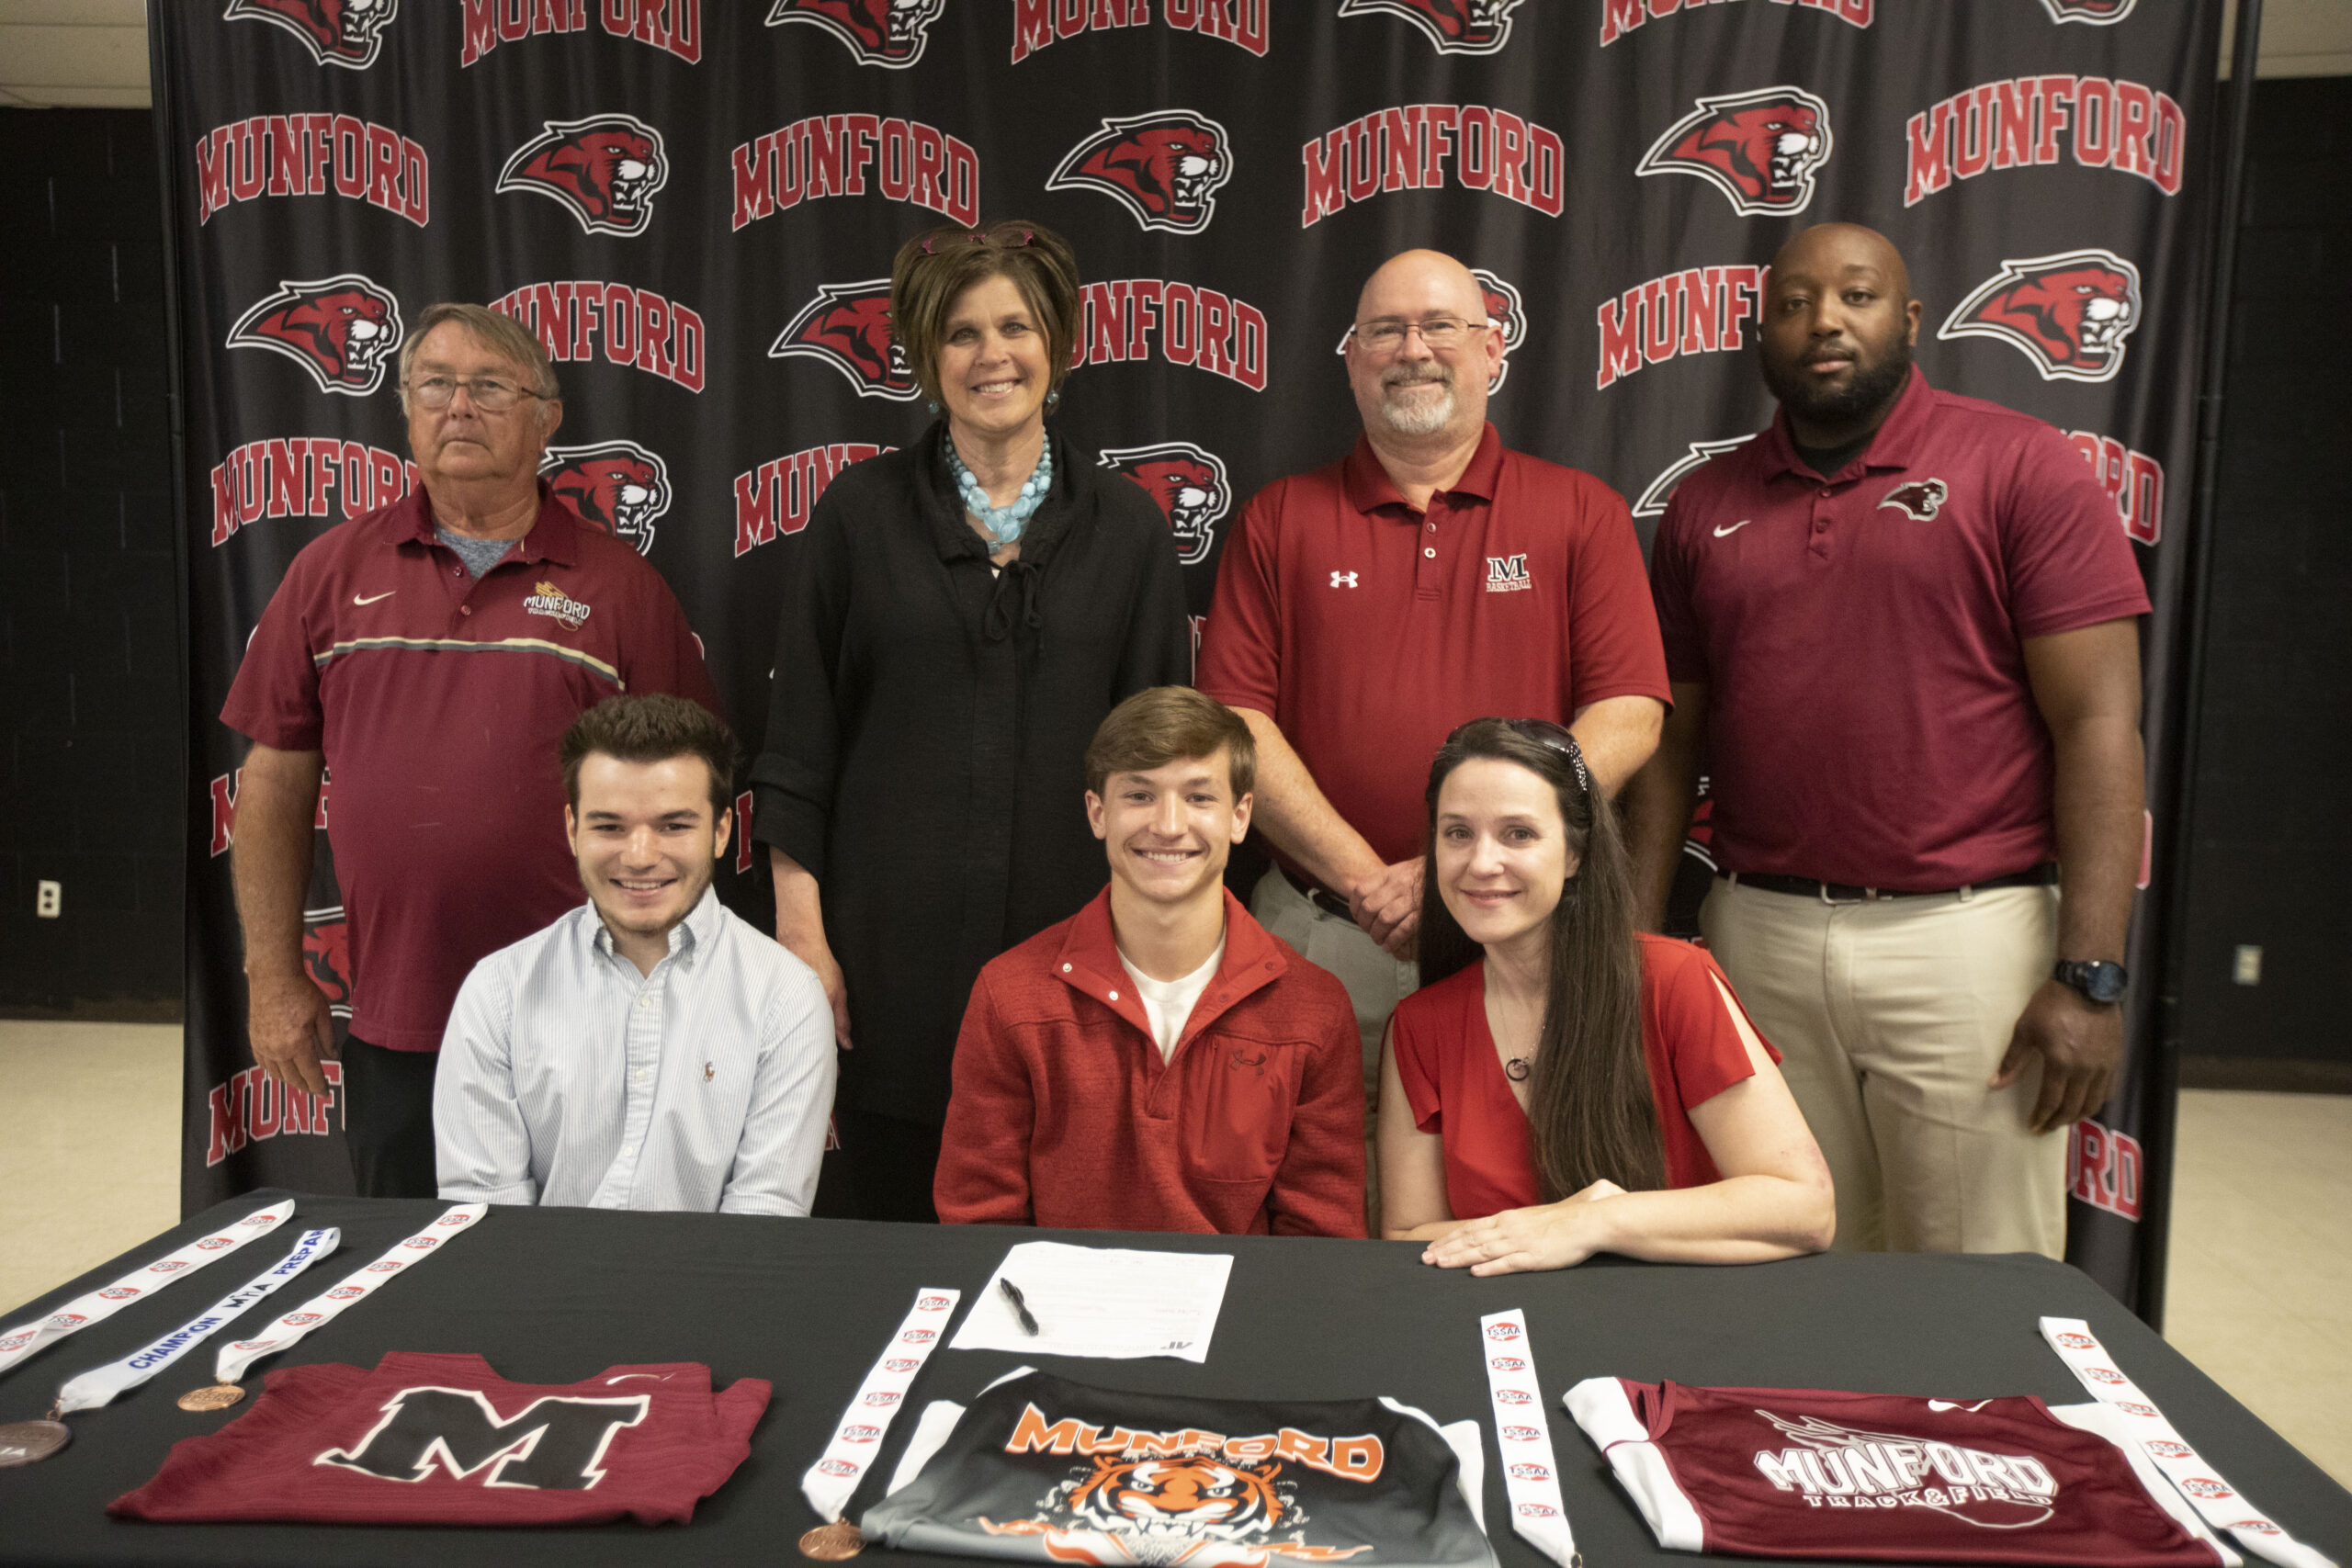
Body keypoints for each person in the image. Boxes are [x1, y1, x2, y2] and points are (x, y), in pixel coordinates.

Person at [1623, 223, 2151, 1258]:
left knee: (1976, 1286)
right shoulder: (1702, 504)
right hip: (1757, 936)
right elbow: (1667, 750)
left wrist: (2090, 973)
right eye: (1794, 303)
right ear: (1759, 333)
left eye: (1857, 296)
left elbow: (2097, 725)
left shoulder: (2018, 465)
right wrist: (1640, 953)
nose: (1825, 320)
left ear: (1907, 321)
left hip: (1963, 941)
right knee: (1789, 1267)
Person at [222, 302, 719, 1198]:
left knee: (581, 1279)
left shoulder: (621, 589)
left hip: (590, 1021)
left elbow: (687, 804)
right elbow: (271, 788)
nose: (459, 407)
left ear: (546, 415)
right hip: (400, 1025)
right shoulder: (329, 574)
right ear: (405, 408)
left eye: (490, 386)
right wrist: (272, 979)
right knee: (411, 1279)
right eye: (435, 385)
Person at [751, 220, 1192, 1222]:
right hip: (884, 969)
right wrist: (803, 941)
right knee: (884, 1251)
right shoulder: (857, 515)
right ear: (922, 356)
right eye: (960, 334)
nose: (992, 355)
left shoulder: (1126, 528)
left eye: (1016, 328)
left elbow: (1164, 771)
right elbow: (798, 745)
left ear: (1058, 345)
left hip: (1079, 965)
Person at [1193, 247, 1671, 1168]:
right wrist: (1374, 881)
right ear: (1351, 358)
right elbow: (1235, 722)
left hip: (1527, 935)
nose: (1412, 350)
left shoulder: (1581, 512)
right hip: (1324, 934)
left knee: (1529, 1190)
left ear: (1491, 350)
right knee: (1317, 1199)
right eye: (1386, 331)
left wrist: (1452, 871)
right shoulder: (1278, 519)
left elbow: (1628, 714)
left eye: (1440, 326)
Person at [1379, 719, 1835, 1273]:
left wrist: (1595, 1220)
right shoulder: (1419, 1024)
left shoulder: (1674, 980)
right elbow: (1408, 1235)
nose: (1480, 862)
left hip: (1676, 1321)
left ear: (1575, 854)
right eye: (1457, 833)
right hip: (1503, 1327)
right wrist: (1561, 1222)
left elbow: (1806, 1207)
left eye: (1518, 833)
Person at [935, 687, 1365, 1235]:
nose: (1167, 824)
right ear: (1098, 813)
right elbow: (978, 1223)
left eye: (1199, 798)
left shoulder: (1314, 1008)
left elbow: (1319, 1242)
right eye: (1139, 795)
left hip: (1236, 1315)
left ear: (1240, 817)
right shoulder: (1010, 993)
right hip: (1059, 1317)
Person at [435, 695, 834, 1214]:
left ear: (721, 832)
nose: (640, 856)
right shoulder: (498, 993)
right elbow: (486, 1225)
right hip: (539, 1293)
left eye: (673, 825)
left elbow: (761, 1227)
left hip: (711, 1294)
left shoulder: (787, 999)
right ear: (572, 829)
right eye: (609, 826)